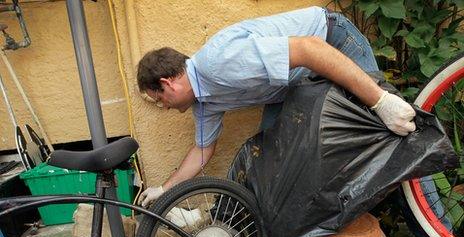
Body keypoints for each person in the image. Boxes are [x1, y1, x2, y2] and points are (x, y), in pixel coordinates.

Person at [136, 6, 416, 207]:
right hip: (292, 85)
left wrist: (379, 101)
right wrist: (165, 189)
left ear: (168, 83)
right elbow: (202, 150)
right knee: (271, 159)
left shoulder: (218, 62)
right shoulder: (204, 103)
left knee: (392, 134)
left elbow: (310, 50)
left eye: (159, 99)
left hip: (333, 42)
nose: (164, 107)